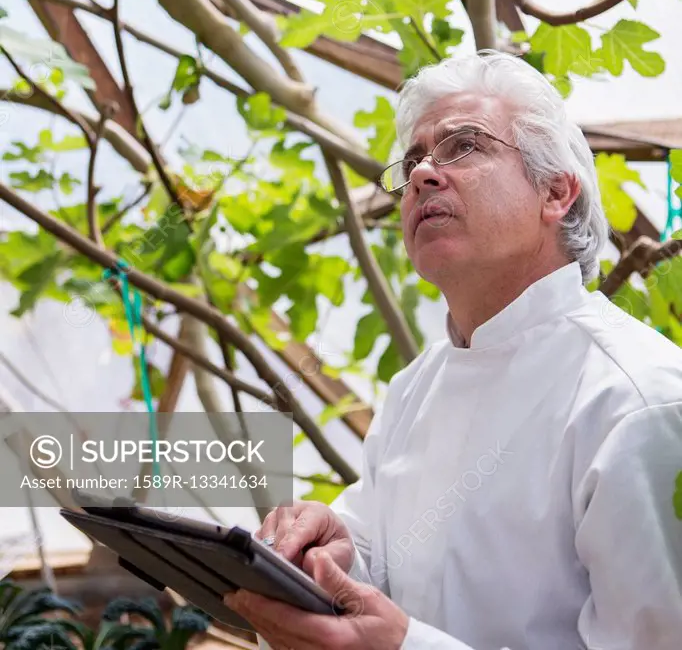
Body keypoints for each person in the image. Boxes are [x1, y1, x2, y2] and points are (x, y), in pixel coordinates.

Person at [225, 51, 682, 649]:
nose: (422, 175)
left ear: (556, 192)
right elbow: (379, 566)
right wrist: (332, 547)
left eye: (464, 146)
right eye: (412, 161)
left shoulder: (637, 400)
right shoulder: (413, 388)